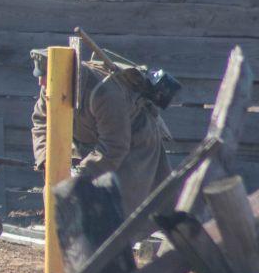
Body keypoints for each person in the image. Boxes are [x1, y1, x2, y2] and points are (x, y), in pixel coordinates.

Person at [31, 53, 172, 215]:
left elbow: (115, 145)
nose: (41, 82)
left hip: (135, 143)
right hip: (93, 144)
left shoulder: (104, 93)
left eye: (45, 77)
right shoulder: (51, 86)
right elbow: (42, 122)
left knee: (122, 213)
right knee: (63, 196)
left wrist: (81, 174)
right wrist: (47, 160)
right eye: (40, 77)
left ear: (64, 76)